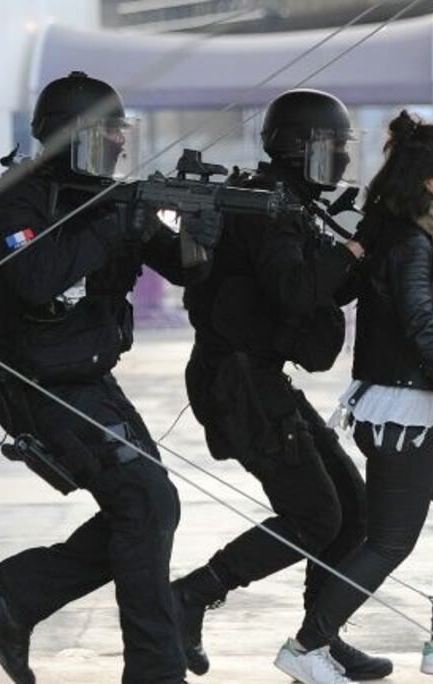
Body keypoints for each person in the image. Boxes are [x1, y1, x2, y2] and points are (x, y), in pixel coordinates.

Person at [0, 71, 216, 684]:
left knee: (148, 505)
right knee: (146, 502)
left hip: (86, 377)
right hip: (33, 380)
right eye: (106, 135)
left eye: (120, 135)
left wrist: (203, 231)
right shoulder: (15, 199)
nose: (120, 147)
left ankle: (18, 603)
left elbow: (183, 272)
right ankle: (152, 670)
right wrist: (115, 220)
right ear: (68, 138)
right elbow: (35, 278)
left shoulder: (109, 198)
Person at [275, 111, 433, 683]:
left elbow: (432, 332)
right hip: (401, 411)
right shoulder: (411, 241)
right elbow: (421, 331)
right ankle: (306, 648)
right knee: (388, 542)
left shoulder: (426, 235)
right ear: (430, 183)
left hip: (420, 407)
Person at [173, 88, 392, 681]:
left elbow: (321, 288)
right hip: (236, 379)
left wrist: (360, 250)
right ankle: (188, 598)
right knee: (317, 515)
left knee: (352, 509)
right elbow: (295, 290)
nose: (342, 158)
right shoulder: (264, 205)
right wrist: (353, 247)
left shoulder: (288, 200)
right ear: (299, 148)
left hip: (258, 376)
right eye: (333, 146)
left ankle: (319, 637)